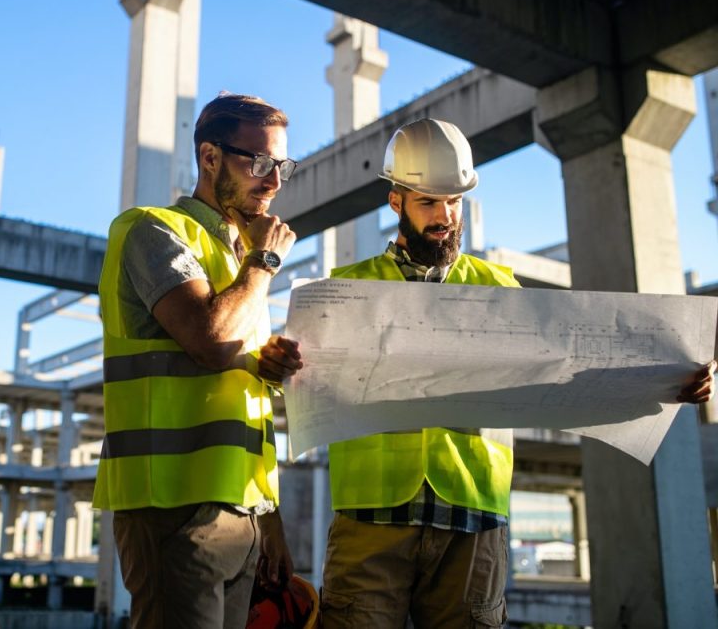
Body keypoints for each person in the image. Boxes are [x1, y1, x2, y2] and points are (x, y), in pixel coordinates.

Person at [318, 117, 716, 628]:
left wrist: (665, 379)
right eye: (428, 202)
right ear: (396, 202)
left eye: (455, 201)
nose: (445, 215)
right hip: (371, 516)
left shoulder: (500, 289)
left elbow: (566, 370)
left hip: (472, 517)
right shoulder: (346, 287)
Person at [93, 92, 305, 628]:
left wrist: (269, 521)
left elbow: (243, 409)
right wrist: (264, 261)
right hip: (173, 508)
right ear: (209, 157)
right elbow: (210, 340)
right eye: (257, 162)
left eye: (282, 165)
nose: (274, 180)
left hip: (241, 515)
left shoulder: (238, 267)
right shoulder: (152, 230)